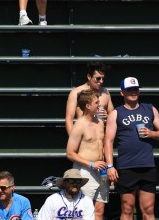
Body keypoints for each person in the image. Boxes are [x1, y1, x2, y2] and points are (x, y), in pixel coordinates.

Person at [104, 77, 159, 220]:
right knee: (127, 208)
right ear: (122, 93)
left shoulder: (150, 109)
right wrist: (109, 166)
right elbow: (108, 141)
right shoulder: (116, 113)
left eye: (135, 89)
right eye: (129, 90)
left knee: (148, 209)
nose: (133, 92)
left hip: (147, 165)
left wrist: (152, 133)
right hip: (127, 166)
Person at [66, 89, 108, 220]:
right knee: (83, 210)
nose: (99, 105)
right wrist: (91, 164)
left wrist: (108, 167)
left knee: (99, 211)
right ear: (88, 106)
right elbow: (70, 153)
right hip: (85, 170)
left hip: (102, 171)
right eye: (96, 103)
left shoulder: (100, 122)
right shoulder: (79, 125)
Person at [66, 62, 113, 135]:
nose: (101, 81)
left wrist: (107, 116)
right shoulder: (76, 92)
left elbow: (112, 116)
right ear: (89, 76)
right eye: (98, 78)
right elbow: (69, 119)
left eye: (103, 78)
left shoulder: (105, 92)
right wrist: (74, 139)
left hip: (100, 139)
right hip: (84, 139)